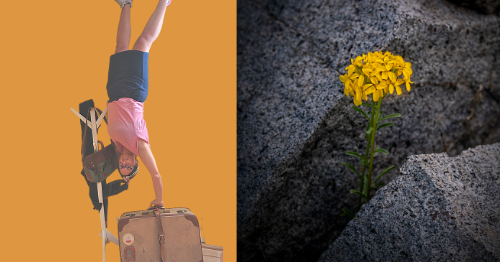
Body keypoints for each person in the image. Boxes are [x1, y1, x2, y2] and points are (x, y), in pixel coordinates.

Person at [106, 0, 171, 208]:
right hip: (134, 91)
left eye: (121, 166)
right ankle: (165, 1)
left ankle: (125, 3)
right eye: (128, 167)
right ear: (135, 164)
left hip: (115, 90)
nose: (124, 163)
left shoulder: (116, 143)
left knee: (121, 47)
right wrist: (159, 199)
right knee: (143, 42)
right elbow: (157, 175)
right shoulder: (140, 146)